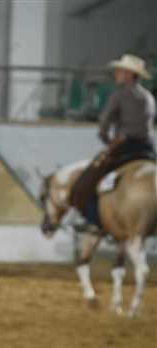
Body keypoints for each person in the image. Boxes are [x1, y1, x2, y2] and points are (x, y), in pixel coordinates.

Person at [70, 54, 155, 229]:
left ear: (130, 75)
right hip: (148, 148)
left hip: (124, 146)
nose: (116, 73)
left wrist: (106, 139)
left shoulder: (119, 95)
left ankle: (92, 220)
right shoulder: (149, 97)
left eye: (120, 71)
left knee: (90, 178)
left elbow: (104, 121)